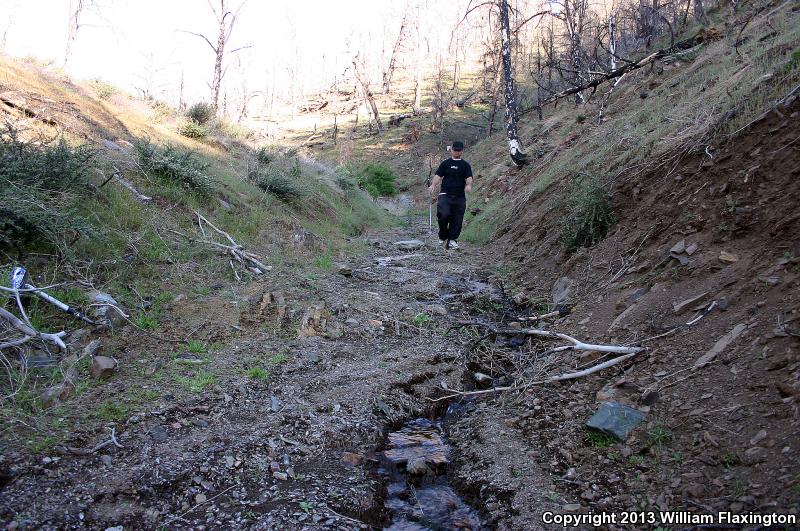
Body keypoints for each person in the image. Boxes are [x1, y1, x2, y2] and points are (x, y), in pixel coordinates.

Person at [427, 140, 473, 250]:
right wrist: (433, 185)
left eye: (459, 150)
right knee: (443, 214)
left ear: (462, 151)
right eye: (455, 150)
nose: (456, 152)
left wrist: (468, 185)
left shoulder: (465, 165)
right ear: (451, 150)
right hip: (445, 194)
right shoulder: (446, 163)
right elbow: (438, 175)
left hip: (459, 196)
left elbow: (469, 177)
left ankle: (452, 240)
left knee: (457, 218)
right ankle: (443, 236)